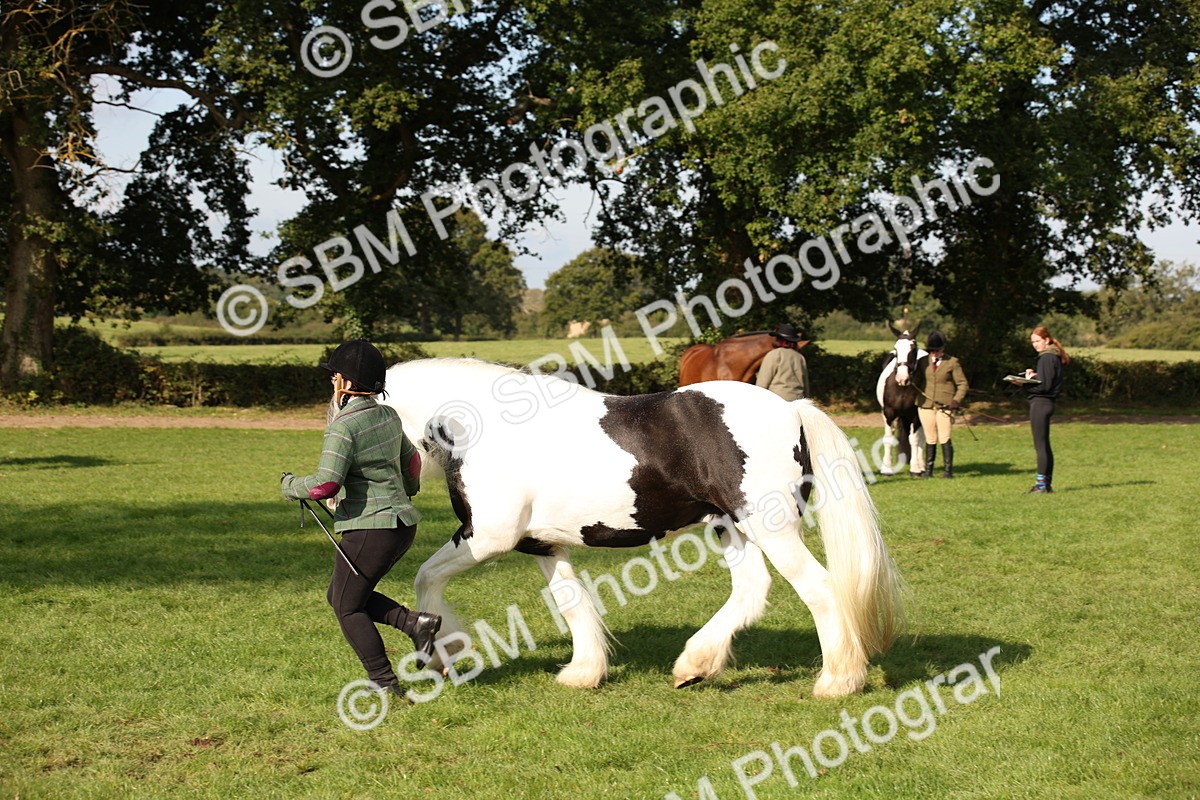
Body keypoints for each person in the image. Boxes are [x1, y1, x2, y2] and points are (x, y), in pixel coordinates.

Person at [281, 339, 440, 695]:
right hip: (402, 526)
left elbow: (325, 484)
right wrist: (407, 489)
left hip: (371, 528)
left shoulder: (344, 426)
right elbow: (412, 463)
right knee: (343, 597)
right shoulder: (388, 415)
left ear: (346, 381)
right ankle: (415, 624)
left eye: (335, 375)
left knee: (347, 607)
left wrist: (291, 485)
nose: (332, 380)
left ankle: (384, 684)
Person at [1014, 325, 1069, 494]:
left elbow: (1044, 387)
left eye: (1037, 341)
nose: (1035, 345)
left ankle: (1041, 485)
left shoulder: (1046, 358)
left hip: (1041, 403)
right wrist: (1034, 376)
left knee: (1040, 446)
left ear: (1046, 340)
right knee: (1044, 445)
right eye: (1033, 342)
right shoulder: (1053, 356)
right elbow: (1046, 380)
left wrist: (1024, 384)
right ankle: (1046, 484)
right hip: (1046, 403)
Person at [912, 331, 969, 478]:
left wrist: (956, 400)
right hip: (925, 405)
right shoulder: (923, 362)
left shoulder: (952, 362)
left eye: (937, 350)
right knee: (930, 437)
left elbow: (962, 384)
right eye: (932, 350)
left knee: (944, 436)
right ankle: (929, 471)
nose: (934, 353)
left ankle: (947, 471)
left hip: (945, 405)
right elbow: (917, 380)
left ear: (943, 349)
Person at [755, 323, 811, 400]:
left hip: (777, 400)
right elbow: (806, 385)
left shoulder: (774, 354)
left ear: (781, 339)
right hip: (798, 400)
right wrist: (806, 400)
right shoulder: (800, 357)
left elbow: (762, 382)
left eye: (777, 338)